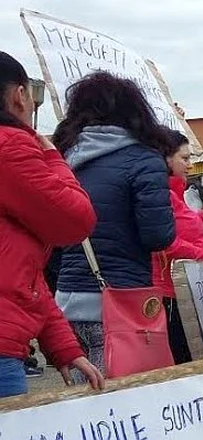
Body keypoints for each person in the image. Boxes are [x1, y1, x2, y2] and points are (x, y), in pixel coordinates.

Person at [53, 72, 176, 381]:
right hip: (120, 302)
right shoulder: (144, 160)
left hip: (66, 300)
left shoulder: (63, 159)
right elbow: (158, 235)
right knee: (121, 412)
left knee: (86, 412)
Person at [0, 51, 104, 397]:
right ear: (19, 95)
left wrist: (62, 345)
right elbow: (75, 221)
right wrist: (52, 158)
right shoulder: (10, 147)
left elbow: (17, 272)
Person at [153, 128, 203, 364]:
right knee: (185, 358)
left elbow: (180, 224)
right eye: (185, 158)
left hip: (186, 289)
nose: (190, 165)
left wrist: (201, 216)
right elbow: (165, 239)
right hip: (172, 294)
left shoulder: (174, 194)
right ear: (166, 159)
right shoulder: (160, 194)